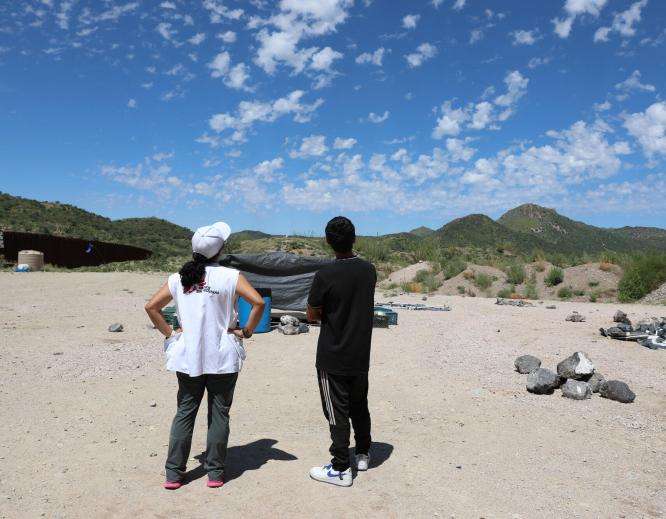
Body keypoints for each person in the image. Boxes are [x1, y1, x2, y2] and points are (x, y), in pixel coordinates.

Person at [144, 221, 265, 490]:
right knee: (219, 413)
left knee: (185, 412)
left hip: (188, 356)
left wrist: (170, 334)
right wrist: (246, 331)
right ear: (220, 250)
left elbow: (151, 306)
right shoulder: (230, 277)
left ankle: (174, 474)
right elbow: (258, 302)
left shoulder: (178, 278)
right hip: (222, 356)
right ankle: (215, 473)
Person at [306, 216, 377, 487]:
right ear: (354, 239)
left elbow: (312, 313)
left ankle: (340, 468)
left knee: (336, 411)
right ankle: (362, 452)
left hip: (332, 354)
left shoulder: (324, 275)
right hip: (360, 353)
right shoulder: (369, 270)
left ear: (328, 242)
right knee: (359, 405)